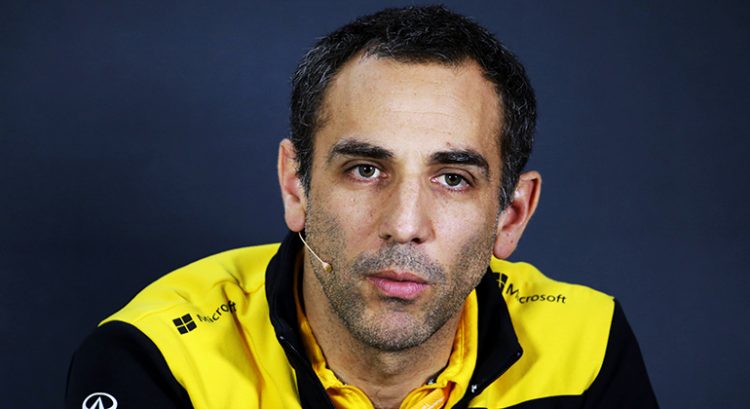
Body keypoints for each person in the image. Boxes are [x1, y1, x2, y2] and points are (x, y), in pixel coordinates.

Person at [66, 5, 658, 409]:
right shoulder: (156, 356)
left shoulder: (586, 344)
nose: (404, 225)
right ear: (296, 186)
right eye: (365, 170)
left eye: (453, 179)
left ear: (512, 215)